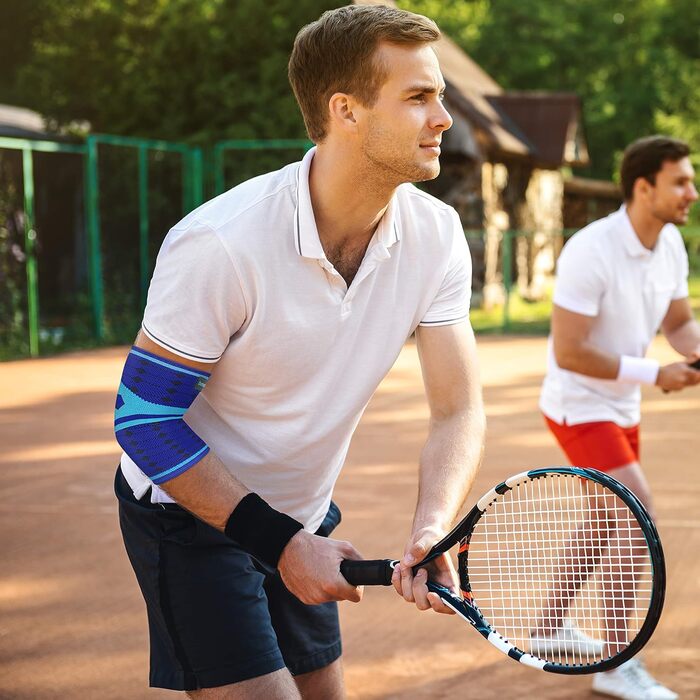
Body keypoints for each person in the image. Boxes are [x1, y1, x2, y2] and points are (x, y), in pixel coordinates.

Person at [113, 5, 485, 699]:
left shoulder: (436, 235)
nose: (443, 119)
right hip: (190, 513)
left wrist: (432, 529)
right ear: (346, 110)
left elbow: (458, 408)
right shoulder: (223, 243)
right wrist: (279, 543)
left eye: (440, 97)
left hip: (305, 512)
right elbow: (142, 422)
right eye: (418, 97)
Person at [536, 135, 699, 700]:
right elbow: (569, 351)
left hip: (619, 403)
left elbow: (679, 324)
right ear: (643, 186)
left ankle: (550, 624)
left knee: (607, 518)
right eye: (680, 181)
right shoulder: (591, 249)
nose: (692, 193)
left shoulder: (671, 243)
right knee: (635, 509)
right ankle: (617, 664)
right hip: (578, 404)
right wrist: (657, 375)